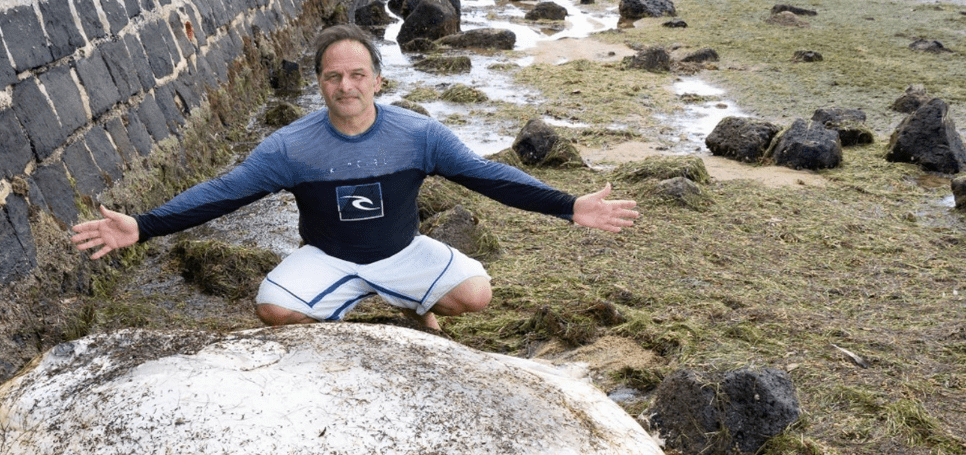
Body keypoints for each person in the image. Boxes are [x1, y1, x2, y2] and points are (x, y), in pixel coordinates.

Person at [71, 23, 639, 330]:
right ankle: (345, 307)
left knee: (475, 295)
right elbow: (226, 191)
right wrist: (143, 226)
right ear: (319, 83)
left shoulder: (418, 135)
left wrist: (570, 206)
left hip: (401, 251)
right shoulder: (290, 146)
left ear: (378, 80)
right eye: (333, 77)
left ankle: (409, 301)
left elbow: (486, 174)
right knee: (275, 309)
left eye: (358, 75)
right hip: (330, 256)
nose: (347, 86)